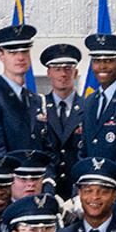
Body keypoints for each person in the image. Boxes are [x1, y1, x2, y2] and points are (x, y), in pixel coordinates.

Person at [0, 24, 48, 157]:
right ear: (1, 55)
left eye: (24, 51)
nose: (20, 58)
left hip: (36, 175)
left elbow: (45, 147)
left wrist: (47, 176)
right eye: (13, 52)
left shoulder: (35, 99)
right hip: (7, 176)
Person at [41, 43, 85, 197]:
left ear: (75, 72)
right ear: (49, 73)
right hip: (46, 189)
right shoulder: (39, 107)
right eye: (57, 69)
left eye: (68, 69)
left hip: (80, 190)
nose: (63, 74)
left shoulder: (88, 107)